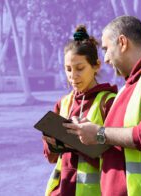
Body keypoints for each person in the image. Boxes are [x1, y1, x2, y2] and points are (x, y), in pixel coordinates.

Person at [64, 16, 141, 196]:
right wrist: (89, 132)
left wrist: (99, 133)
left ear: (122, 42)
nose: (104, 58)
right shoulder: (129, 87)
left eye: (106, 49)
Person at [42, 25, 117, 196]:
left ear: (96, 66)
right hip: (60, 191)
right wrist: (52, 144)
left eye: (80, 68)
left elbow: (117, 157)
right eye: (68, 69)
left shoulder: (109, 102)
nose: (73, 76)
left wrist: (78, 143)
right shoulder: (63, 103)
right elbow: (50, 157)